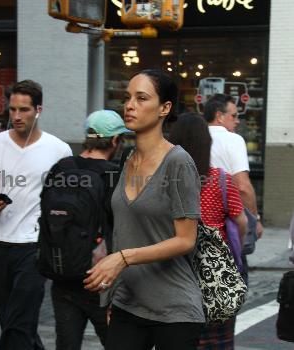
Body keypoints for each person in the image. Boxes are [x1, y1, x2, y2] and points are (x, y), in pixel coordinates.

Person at [84, 69, 205, 350]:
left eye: (141, 98)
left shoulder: (178, 162)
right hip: (128, 304)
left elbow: (186, 239)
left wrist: (123, 258)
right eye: (127, 98)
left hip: (174, 311)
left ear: (164, 108)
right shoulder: (126, 157)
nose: (129, 105)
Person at [0, 79, 72, 350]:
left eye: (24, 110)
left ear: (38, 110)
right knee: (12, 322)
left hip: (35, 247)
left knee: (19, 322)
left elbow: (67, 200)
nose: (16, 116)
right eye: (13, 109)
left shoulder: (59, 150)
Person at [50, 109, 129, 350]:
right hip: (101, 280)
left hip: (62, 275)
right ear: (115, 141)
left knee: (66, 345)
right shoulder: (114, 176)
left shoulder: (61, 168)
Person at [169, 112, 247, 350]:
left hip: (172, 272)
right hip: (214, 277)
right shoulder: (220, 180)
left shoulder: (163, 180)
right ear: (207, 143)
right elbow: (241, 221)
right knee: (218, 341)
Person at [203, 93, 263, 283]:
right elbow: (243, 186)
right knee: (233, 283)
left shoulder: (195, 138)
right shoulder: (233, 140)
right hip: (226, 225)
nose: (237, 121)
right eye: (234, 115)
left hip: (196, 225)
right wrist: (255, 219)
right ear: (219, 116)